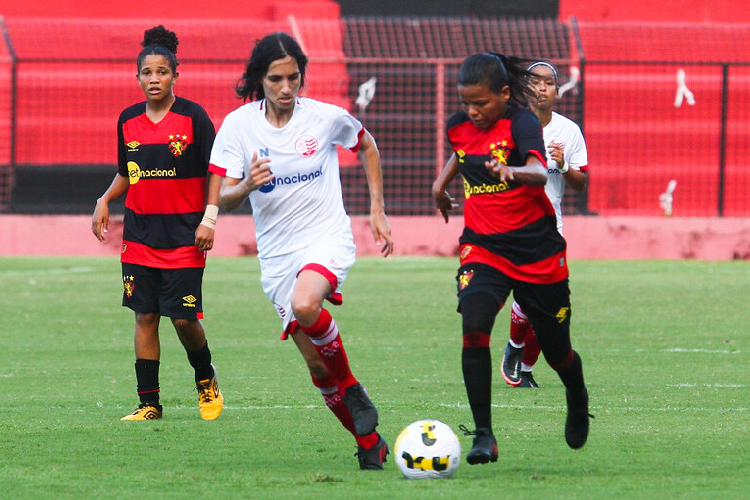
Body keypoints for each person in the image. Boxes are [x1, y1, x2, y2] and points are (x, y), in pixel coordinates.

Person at [208, 33, 394, 470]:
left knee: (306, 303)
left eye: (294, 78)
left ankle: (353, 386)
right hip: (276, 257)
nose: (287, 88)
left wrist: (377, 210)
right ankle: (368, 442)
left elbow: (366, 145)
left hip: (325, 238)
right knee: (316, 368)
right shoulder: (238, 127)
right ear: (260, 79)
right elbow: (220, 198)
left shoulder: (325, 118)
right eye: (276, 79)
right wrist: (247, 185)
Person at [431, 52, 592, 463]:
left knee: (557, 352)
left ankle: (576, 392)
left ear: (503, 94)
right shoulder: (459, 125)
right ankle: (484, 434)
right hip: (483, 246)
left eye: (481, 103)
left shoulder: (521, 123)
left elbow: (539, 172)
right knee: (474, 327)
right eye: (466, 102)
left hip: (536, 246)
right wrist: (440, 185)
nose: (472, 111)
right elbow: (462, 151)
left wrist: (512, 171)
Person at [92, 25, 224, 422]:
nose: (154, 79)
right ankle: (149, 403)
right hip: (139, 235)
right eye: (147, 72)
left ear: (175, 76)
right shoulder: (128, 121)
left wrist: (210, 219)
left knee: (184, 318)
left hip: (185, 236)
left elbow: (216, 170)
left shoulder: (193, 117)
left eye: (162, 72)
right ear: (137, 77)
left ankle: (206, 378)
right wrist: (104, 199)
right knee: (145, 315)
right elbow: (127, 171)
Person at [501, 61, 589, 389]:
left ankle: (523, 366)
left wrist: (564, 164)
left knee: (549, 308)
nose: (541, 88)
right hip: (515, 225)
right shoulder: (510, 127)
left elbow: (580, 184)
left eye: (548, 83)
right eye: (535, 82)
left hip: (551, 227)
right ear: (525, 89)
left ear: (556, 91)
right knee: (530, 294)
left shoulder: (568, 131)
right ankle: (515, 348)